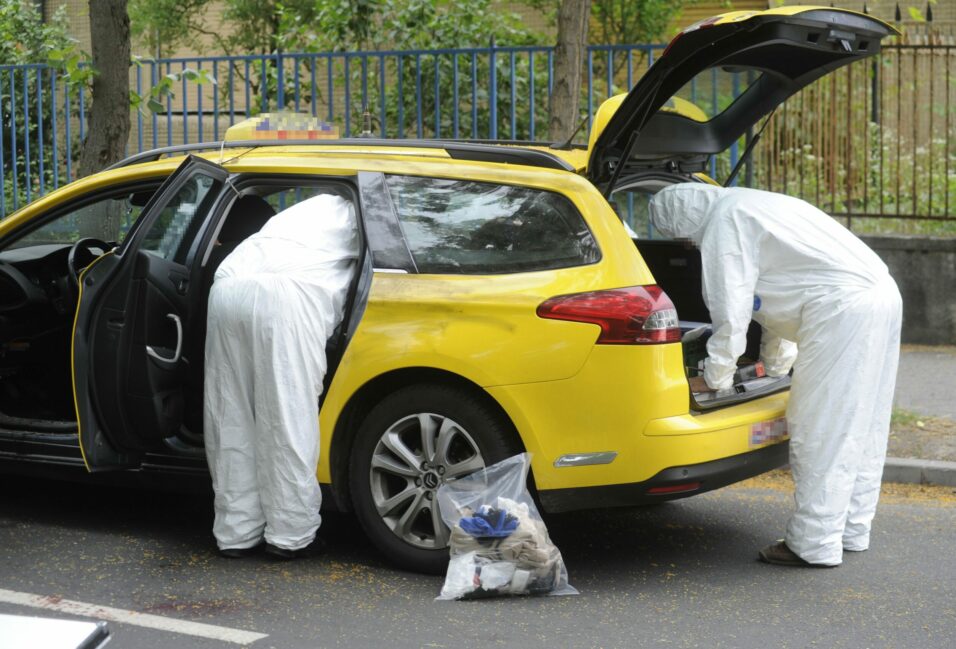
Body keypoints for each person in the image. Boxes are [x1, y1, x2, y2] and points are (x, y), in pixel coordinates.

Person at [649, 183, 902, 568]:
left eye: (682, 238)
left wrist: (715, 377)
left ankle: (814, 543)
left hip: (841, 309)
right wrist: (776, 366)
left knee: (822, 424)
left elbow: (731, 308)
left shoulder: (725, 222)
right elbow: (781, 291)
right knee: (864, 420)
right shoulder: (755, 204)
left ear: (682, 220)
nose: (687, 246)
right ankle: (851, 529)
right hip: (880, 294)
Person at [203, 193, 359, 559]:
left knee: (231, 414)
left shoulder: (305, 212)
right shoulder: (365, 206)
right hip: (287, 294)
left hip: (228, 283)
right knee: (286, 416)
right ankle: (291, 535)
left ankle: (235, 533)